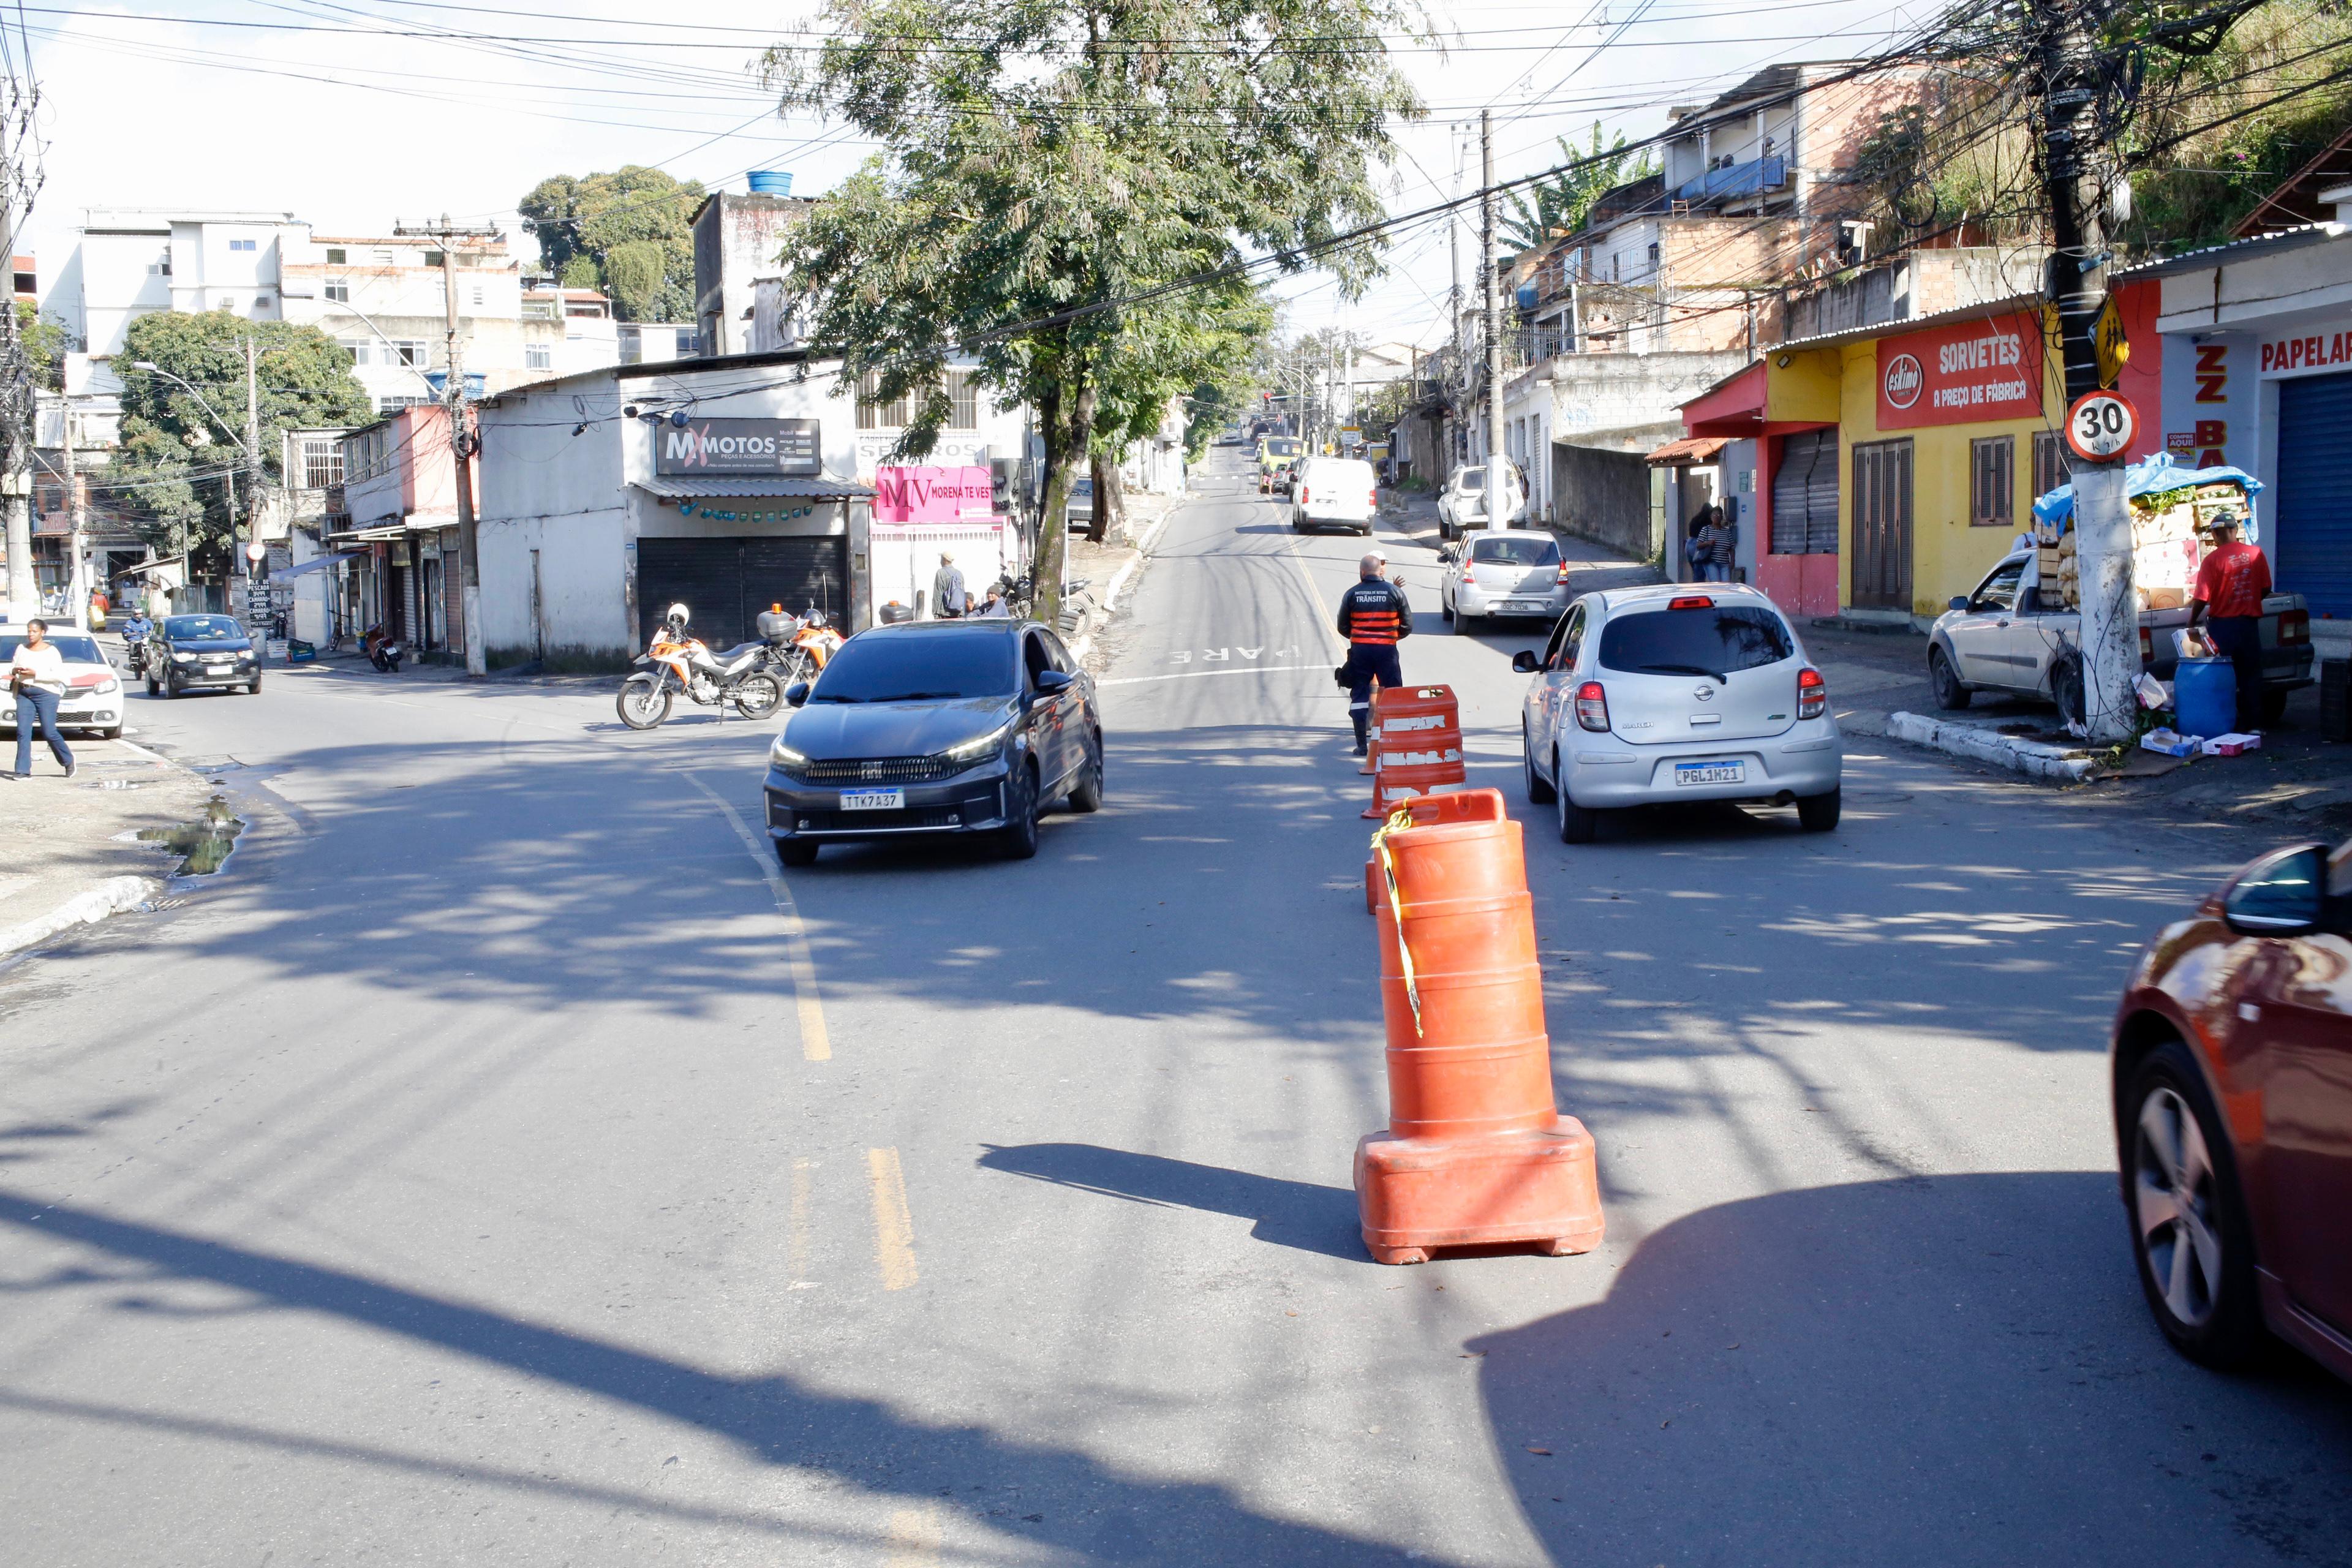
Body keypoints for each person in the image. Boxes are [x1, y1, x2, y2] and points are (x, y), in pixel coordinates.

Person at [2190, 512, 2272, 729]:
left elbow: (2201, 598)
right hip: (2248, 626)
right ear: (2235, 530)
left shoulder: (2212, 560)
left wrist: (2191, 621)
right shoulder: (2256, 554)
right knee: (2251, 676)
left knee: (2221, 677)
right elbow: (2266, 588)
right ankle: (2255, 726)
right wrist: (2250, 601)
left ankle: (2224, 725)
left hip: (2222, 627)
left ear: (2216, 533)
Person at [1335, 550, 1412, 756]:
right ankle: (1395, 743)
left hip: (1360, 652)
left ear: (1362, 572)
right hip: (1387, 651)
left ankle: (1362, 745)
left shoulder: (1352, 594)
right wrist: (1391, 638)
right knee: (1394, 693)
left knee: (1360, 694)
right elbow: (1408, 625)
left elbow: (1342, 626)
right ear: (1380, 572)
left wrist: (1359, 638)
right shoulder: (1395, 592)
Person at [9, 618, 75, 780]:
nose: (31, 634)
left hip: (46, 694)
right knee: (23, 732)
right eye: (29, 631)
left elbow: (60, 676)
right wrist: (16, 670)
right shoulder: (22, 648)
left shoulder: (51, 651)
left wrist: (35, 674)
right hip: (25, 693)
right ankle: (23, 771)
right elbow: (13, 668)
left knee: (49, 731)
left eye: (34, 631)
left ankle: (68, 760)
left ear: (42, 633)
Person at [1704, 504, 1737, 583]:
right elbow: (1698, 545)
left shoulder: (1727, 532)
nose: (1716, 517)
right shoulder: (1706, 530)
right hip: (1711, 563)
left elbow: (1732, 548)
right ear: (1711, 517)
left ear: (1722, 517)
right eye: (1714, 515)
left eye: (1719, 515)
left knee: (1726, 585)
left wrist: (1732, 561)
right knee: (1717, 585)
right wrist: (1708, 543)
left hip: (1725, 564)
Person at [932, 551, 968, 619]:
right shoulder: (959, 574)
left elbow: (937, 595)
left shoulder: (940, 573)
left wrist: (936, 613)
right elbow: (962, 593)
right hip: (958, 612)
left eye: (941, 559)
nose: (940, 562)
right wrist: (962, 612)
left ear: (945, 560)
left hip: (945, 612)